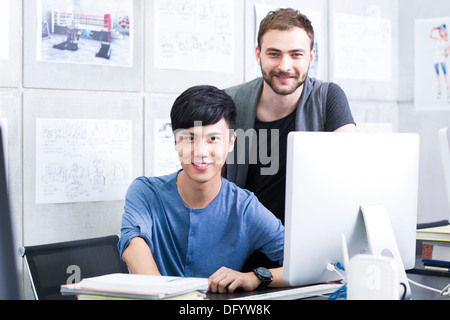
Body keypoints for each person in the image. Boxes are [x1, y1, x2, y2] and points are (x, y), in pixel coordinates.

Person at [118, 85, 286, 293]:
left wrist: (255, 277)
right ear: (175, 141)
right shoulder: (145, 192)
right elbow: (133, 248)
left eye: (213, 139)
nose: (201, 152)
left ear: (231, 143)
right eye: (189, 138)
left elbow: (306, 265)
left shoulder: (244, 207)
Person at [224, 8, 356, 270]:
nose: (285, 66)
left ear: (311, 57)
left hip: (309, 257)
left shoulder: (328, 98)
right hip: (238, 259)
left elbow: (349, 175)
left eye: (296, 54)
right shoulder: (229, 103)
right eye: (274, 54)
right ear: (257, 54)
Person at [430, 24, 450, 103]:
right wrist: (434, 29)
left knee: (445, 76)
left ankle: (448, 95)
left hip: (442, 59)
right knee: (438, 75)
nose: (440, 32)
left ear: (445, 31)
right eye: (440, 30)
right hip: (436, 59)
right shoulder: (438, 38)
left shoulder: (447, 40)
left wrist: (447, 53)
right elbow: (430, 36)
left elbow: (448, 50)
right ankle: (439, 91)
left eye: (442, 30)